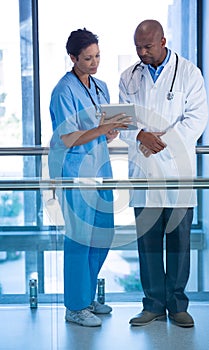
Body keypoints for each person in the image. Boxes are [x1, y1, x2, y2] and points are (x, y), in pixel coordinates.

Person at [119, 19, 208, 327]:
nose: (142, 53)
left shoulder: (189, 73)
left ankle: (178, 305)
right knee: (148, 244)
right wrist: (140, 134)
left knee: (180, 244)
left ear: (163, 41)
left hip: (177, 169)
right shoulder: (128, 76)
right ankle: (153, 304)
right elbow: (123, 120)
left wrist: (163, 141)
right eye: (137, 48)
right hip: (143, 171)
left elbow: (197, 118)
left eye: (147, 46)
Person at [48, 28, 131, 327]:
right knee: (79, 240)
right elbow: (68, 138)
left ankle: (87, 296)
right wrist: (98, 131)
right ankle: (75, 306)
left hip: (101, 172)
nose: (94, 63)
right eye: (87, 58)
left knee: (102, 236)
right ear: (72, 58)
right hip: (75, 174)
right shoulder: (63, 91)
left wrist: (111, 132)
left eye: (97, 56)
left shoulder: (101, 87)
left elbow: (100, 136)